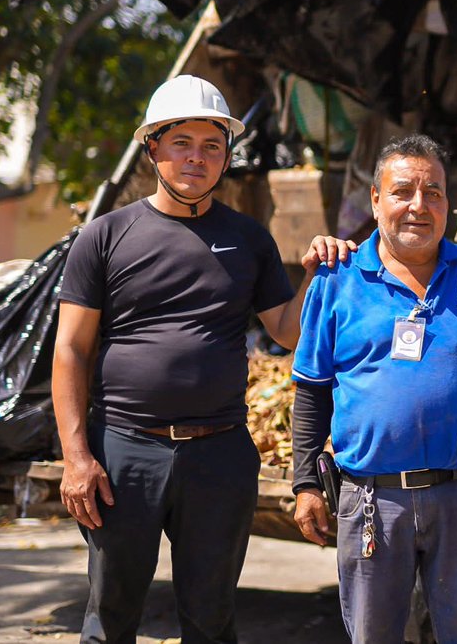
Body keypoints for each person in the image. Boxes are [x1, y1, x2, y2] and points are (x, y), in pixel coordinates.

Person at [52, 74, 350, 644]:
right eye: (182, 143)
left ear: (227, 156)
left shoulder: (249, 238)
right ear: (153, 149)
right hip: (124, 453)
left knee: (211, 620)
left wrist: (316, 275)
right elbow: (71, 349)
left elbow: (287, 334)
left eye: (212, 145)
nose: (197, 157)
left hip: (220, 453)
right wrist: (76, 457)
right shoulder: (106, 236)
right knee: (109, 617)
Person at [289, 134, 457, 643]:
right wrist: (305, 483)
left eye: (433, 193)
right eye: (403, 191)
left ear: (448, 204)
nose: (419, 206)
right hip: (372, 500)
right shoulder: (338, 276)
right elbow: (310, 390)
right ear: (376, 200)